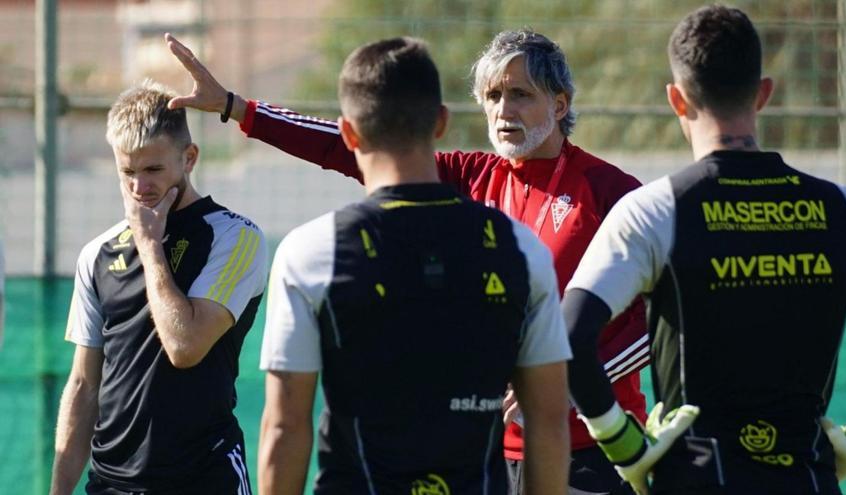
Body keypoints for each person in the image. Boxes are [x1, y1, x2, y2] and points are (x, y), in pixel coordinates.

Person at [166, 29, 647, 494]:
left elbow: (659, 315)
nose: (503, 110)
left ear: (559, 105)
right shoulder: (475, 176)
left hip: (590, 448)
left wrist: (570, 378)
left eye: (519, 94)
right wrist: (237, 109)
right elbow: (354, 145)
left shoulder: (611, 193)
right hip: (488, 453)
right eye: (493, 95)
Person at [563, 5, 846, 495]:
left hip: (693, 480)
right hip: (808, 481)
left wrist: (624, 445)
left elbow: (568, 337)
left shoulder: (652, 211)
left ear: (676, 99)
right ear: (764, 92)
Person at [257, 37, 571, 495]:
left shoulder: (309, 252)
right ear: (441, 122)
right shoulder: (522, 250)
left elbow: (284, 428)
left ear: (349, 134)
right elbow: (547, 422)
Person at [50, 81, 268, 495]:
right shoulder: (98, 254)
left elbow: (185, 346)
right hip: (110, 482)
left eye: (153, 170)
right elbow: (84, 385)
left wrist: (150, 245)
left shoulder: (234, 237)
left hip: (203, 478)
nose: (138, 188)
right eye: (127, 172)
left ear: (189, 158)